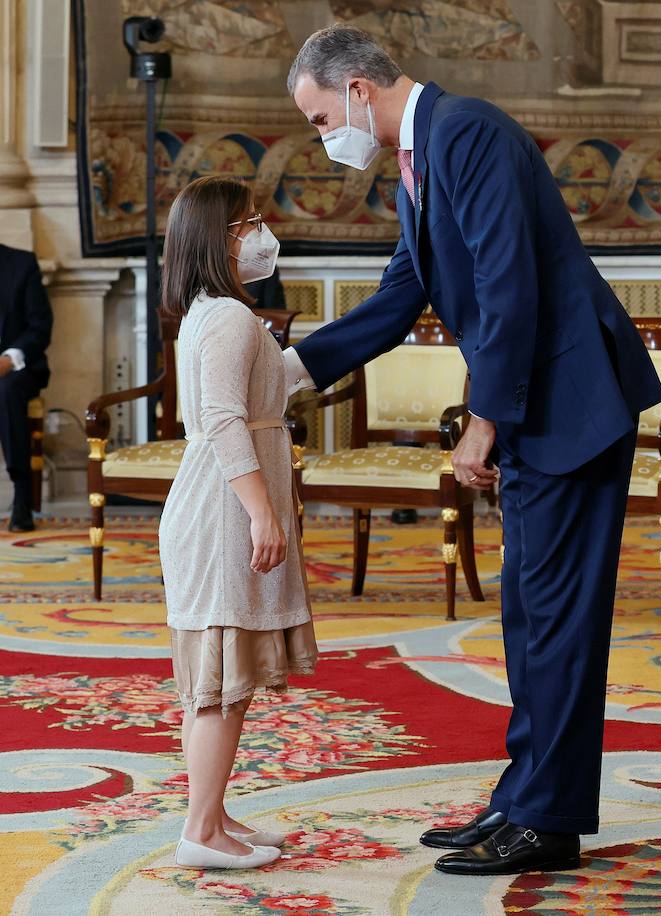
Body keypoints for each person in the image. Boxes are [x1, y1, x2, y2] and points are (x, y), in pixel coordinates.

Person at [284, 26, 661, 875]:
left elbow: (508, 284)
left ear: (355, 91)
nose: (323, 139)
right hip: (541, 406)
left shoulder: (467, 131)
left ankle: (550, 820)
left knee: (557, 620)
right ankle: (524, 796)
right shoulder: (420, 163)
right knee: (530, 616)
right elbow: (400, 294)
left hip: (570, 402)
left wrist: (484, 417)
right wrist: (294, 369)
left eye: (317, 120)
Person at [158, 175, 318, 870]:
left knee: (224, 677)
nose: (260, 234)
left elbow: (266, 384)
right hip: (224, 510)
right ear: (218, 238)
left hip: (222, 503)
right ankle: (201, 830)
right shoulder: (225, 316)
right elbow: (224, 419)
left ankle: (215, 815)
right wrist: (261, 513)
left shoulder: (218, 312)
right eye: (248, 222)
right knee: (220, 680)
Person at [0, 243, 53, 533]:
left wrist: (8, 360)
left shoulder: (21, 264)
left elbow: (40, 326)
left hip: (16, 369)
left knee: (7, 391)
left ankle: (22, 499)